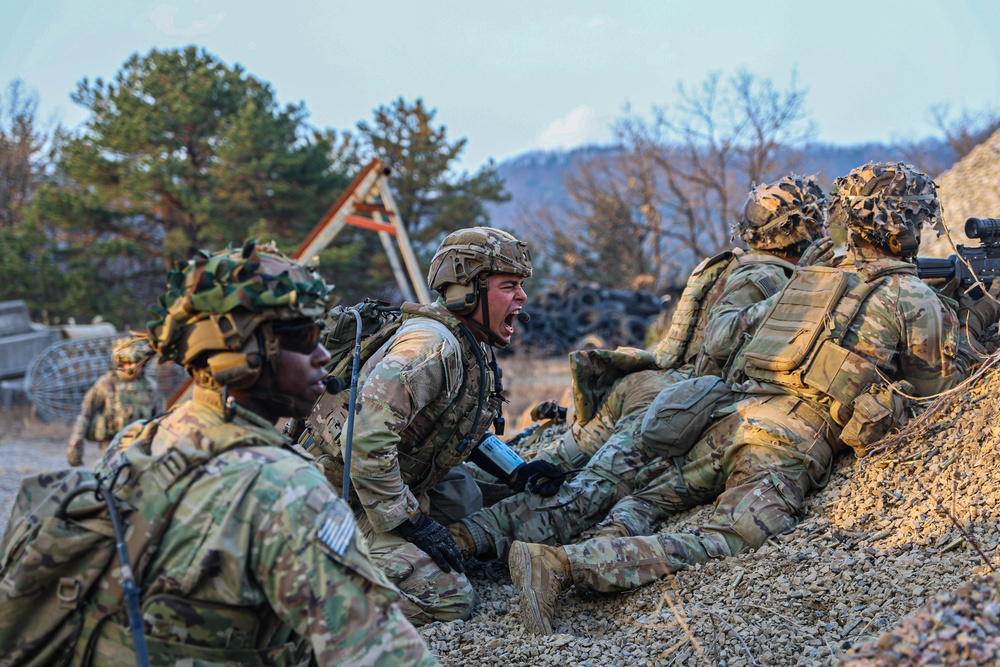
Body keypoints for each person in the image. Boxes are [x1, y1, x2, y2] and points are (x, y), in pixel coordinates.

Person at [508, 162, 999, 635]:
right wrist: (978, 315)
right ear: (903, 226)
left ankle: (609, 535)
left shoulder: (810, 276)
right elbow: (941, 391)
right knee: (732, 535)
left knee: (652, 495)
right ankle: (564, 565)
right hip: (786, 441)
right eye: (918, 221)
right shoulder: (911, 297)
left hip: (730, 416)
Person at [450, 174, 833, 560]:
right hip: (666, 399)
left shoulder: (725, 265)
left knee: (535, 471)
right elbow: (720, 341)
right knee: (585, 495)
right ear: (800, 230)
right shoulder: (768, 276)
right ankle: (458, 541)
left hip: (642, 385)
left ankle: (448, 505)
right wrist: (800, 288)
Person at [89, 241, 437, 665]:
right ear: (245, 351)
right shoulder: (288, 486)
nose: (322, 355)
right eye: (305, 338)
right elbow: (386, 654)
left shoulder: (133, 442)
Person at [300, 226, 561, 625]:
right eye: (509, 285)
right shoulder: (429, 346)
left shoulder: (467, 341)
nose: (522, 296)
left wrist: (515, 470)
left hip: (384, 478)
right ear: (467, 290)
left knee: (464, 497)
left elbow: (457, 426)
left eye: (521, 285)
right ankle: (302, 597)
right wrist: (411, 522)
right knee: (450, 599)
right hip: (336, 495)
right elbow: (365, 437)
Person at [66, 335, 164, 467]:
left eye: (137, 363)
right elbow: (85, 416)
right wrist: (75, 448)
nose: (133, 367)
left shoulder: (150, 387)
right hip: (110, 447)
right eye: (129, 363)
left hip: (140, 447)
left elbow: (160, 419)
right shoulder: (106, 385)